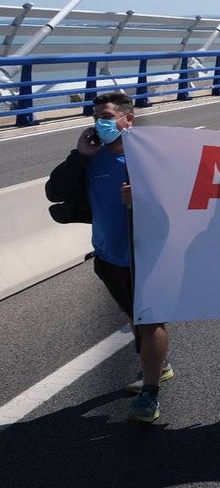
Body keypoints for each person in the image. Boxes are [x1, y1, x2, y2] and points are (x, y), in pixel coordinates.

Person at [46, 92, 173, 424]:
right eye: (95, 117)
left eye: (105, 117)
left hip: (147, 256)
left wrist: (145, 197)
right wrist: (78, 155)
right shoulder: (91, 158)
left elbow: (182, 200)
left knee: (150, 320)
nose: (98, 123)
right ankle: (158, 364)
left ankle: (149, 392)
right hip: (108, 256)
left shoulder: (149, 156)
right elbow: (55, 192)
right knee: (133, 315)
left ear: (128, 119)